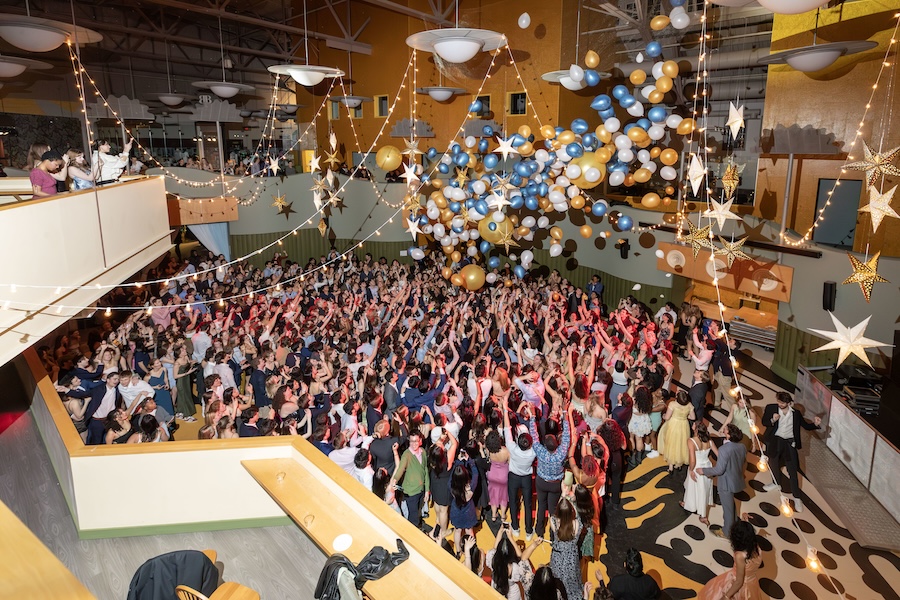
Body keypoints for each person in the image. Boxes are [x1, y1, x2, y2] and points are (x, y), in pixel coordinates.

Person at [761, 391, 822, 512]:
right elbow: (764, 422)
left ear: (789, 403)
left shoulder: (796, 414)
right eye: (778, 401)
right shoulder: (771, 408)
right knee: (773, 463)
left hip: (789, 442)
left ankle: (797, 498)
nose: (779, 404)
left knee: (792, 470)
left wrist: (815, 424)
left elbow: (805, 426)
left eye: (782, 402)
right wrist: (772, 420)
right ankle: (776, 483)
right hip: (775, 440)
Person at [698, 424, 747, 538]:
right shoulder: (742, 447)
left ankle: (727, 532)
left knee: (727, 509)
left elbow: (719, 470)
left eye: (725, 430)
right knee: (731, 505)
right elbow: (744, 463)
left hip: (726, 483)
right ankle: (734, 525)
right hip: (736, 480)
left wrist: (703, 471)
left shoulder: (724, 449)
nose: (723, 429)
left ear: (728, 435)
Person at [697, 519, 763, 600]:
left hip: (738, 586)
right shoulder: (756, 546)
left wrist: (726, 596)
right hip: (752, 584)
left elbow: (739, 582)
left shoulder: (740, 555)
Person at [486, 524, 540, 600]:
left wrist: (500, 531)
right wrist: (511, 538)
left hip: (495, 585)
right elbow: (521, 557)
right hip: (512, 592)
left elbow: (494, 548)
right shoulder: (515, 568)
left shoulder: (492, 560)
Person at [391, 430, 429, 529]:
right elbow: (401, 468)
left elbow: (425, 471)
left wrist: (427, 490)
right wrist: (395, 480)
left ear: (420, 440)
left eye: (416, 441)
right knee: (413, 517)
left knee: (418, 511)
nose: (414, 444)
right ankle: (413, 534)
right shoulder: (406, 454)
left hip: (421, 490)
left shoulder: (423, 452)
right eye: (412, 441)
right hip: (411, 492)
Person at [681, 423, 715, 526]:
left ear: (695, 430)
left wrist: (691, 470)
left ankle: (699, 512)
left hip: (697, 467)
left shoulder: (691, 441)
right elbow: (718, 454)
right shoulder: (710, 441)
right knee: (704, 489)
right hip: (707, 467)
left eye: (694, 425)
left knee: (694, 488)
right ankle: (702, 514)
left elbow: (692, 460)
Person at [549, 497, 584, 600]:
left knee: (557, 581)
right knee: (573, 579)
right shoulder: (577, 523)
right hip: (571, 559)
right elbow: (576, 514)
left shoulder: (553, 521)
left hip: (557, 558)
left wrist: (563, 494)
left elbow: (556, 513)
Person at [657, 390, 695, 472]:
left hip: (673, 425)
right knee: (681, 444)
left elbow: (667, 417)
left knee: (671, 444)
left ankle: (671, 467)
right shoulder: (689, 405)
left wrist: (664, 416)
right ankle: (679, 464)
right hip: (684, 425)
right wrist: (684, 416)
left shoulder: (672, 404)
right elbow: (693, 417)